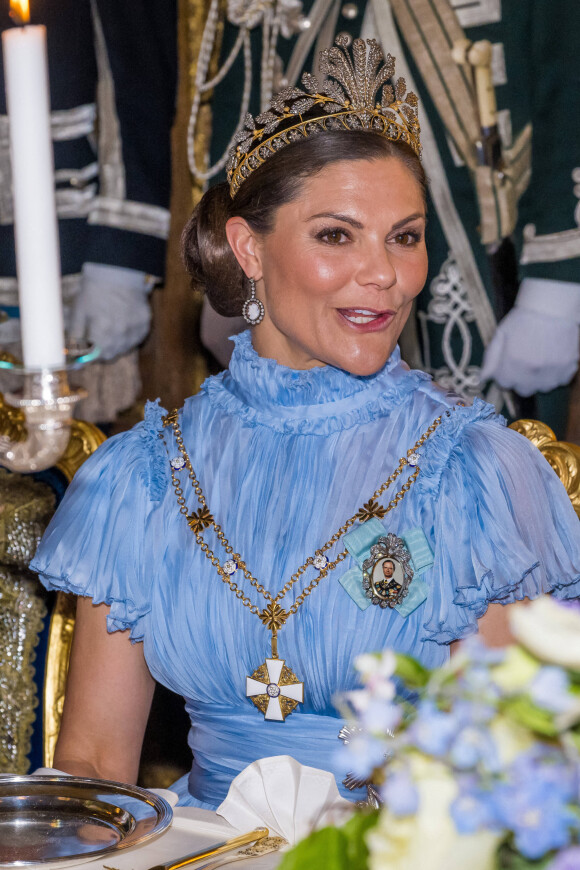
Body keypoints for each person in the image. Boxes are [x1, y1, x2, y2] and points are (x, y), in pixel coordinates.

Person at [31, 39, 580, 811]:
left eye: (406, 236)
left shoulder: (476, 472)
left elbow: (510, 780)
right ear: (248, 248)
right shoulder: (144, 475)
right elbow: (91, 766)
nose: (384, 273)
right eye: (336, 234)